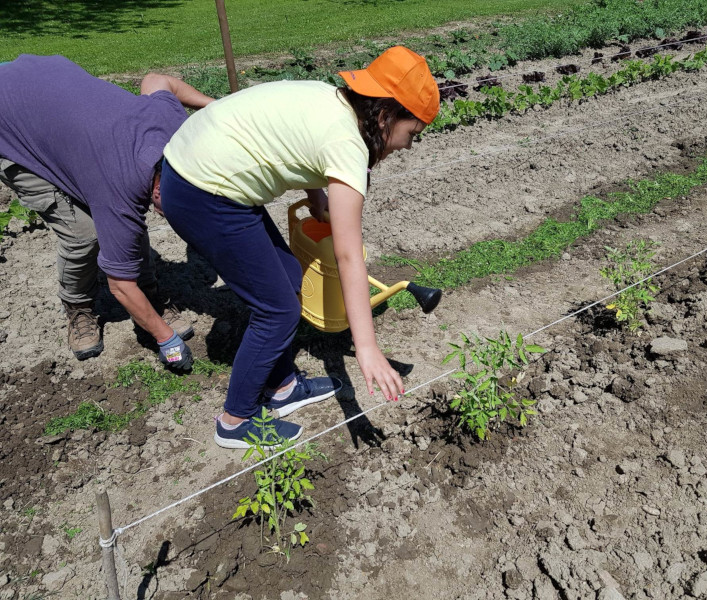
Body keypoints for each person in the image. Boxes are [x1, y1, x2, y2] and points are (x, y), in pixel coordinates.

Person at [159, 46, 440, 448]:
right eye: (412, 134)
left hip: (198, 169)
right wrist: (366, 348)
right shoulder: (348, 144)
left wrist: (314, 196)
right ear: (386, 115)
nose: (408, 146)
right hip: (203, 191)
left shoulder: (331, 100)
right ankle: (235, 421)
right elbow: (347, 254)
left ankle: (284, 387)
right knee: (277, 310)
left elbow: (301, 142)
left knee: (290, 277)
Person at [0, 54, 214, 368]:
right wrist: (166, 338)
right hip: (12, 120)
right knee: (83, 234)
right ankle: (78, 309)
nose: (174, 217)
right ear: (157, 188)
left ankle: (149, 294)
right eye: (175, 210)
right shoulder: (120, 190)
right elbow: (119, 285)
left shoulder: (175, 130)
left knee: (121, 220)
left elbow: (156, 80)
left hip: (49, 83)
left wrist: (217, 105)